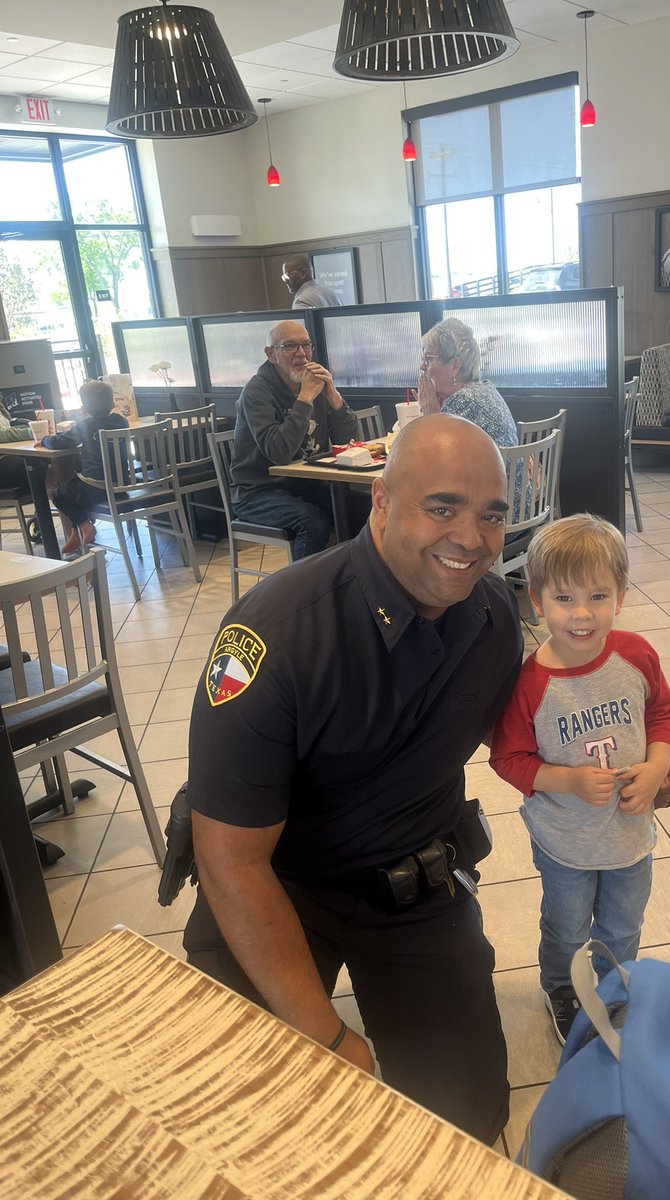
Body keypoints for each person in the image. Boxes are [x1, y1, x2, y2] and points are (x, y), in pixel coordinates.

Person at [183, 414, 524, 1144]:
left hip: (414, 882)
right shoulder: (274, 632)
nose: (470, 538)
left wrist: (625, 746)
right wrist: (329, 1038)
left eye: (490, 515)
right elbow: (228, 857)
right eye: (442, 507)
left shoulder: (494, 616)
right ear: (381, 500)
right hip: (280, 885)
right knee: (228, 1109)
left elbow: (516, 735)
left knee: (464, 1120)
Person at [489, 513, 670, 1045]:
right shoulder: (531, 683)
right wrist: (567, 780)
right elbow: (508, 759)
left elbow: (663, 714)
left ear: (620, 595)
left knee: (623, 926)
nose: (582, 614)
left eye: (598, 596)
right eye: (565, 598)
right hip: (564, 842)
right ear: (538, 601)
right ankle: (562, 990)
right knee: (567, 928)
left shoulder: (636, 655)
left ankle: (616, 989)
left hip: (629, 838)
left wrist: (659, 763)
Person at [230, 320, 359, 561]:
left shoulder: (314, 382)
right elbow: (279, 452)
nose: (301, 353)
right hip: (257, 491)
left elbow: (349, 441)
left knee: (359, 506)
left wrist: (333, 396)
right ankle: (305, 593)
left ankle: (349, 582)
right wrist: (306, 398)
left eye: (306, 345)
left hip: (306, 482)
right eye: (290, 346)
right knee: (313, 523)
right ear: (271, 354)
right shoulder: (257, 392)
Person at [40, 380, 128, 557]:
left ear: (84, 408)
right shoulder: (121, 421)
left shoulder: (85, 425)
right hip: (121, 485)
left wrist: (44, 440)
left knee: (58, 493)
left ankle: (85, 526)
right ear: (112, 403)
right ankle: (76, 532)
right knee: (73, 492)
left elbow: (61, 441)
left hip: (94, 488)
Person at [414, 318, 517, 450]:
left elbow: (436, 457)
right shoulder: (484, 388)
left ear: (455, 366)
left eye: (428, 358)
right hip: (507, 470)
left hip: (488, 471)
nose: (422, 365)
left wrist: (431, 415)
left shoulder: (462, 402)